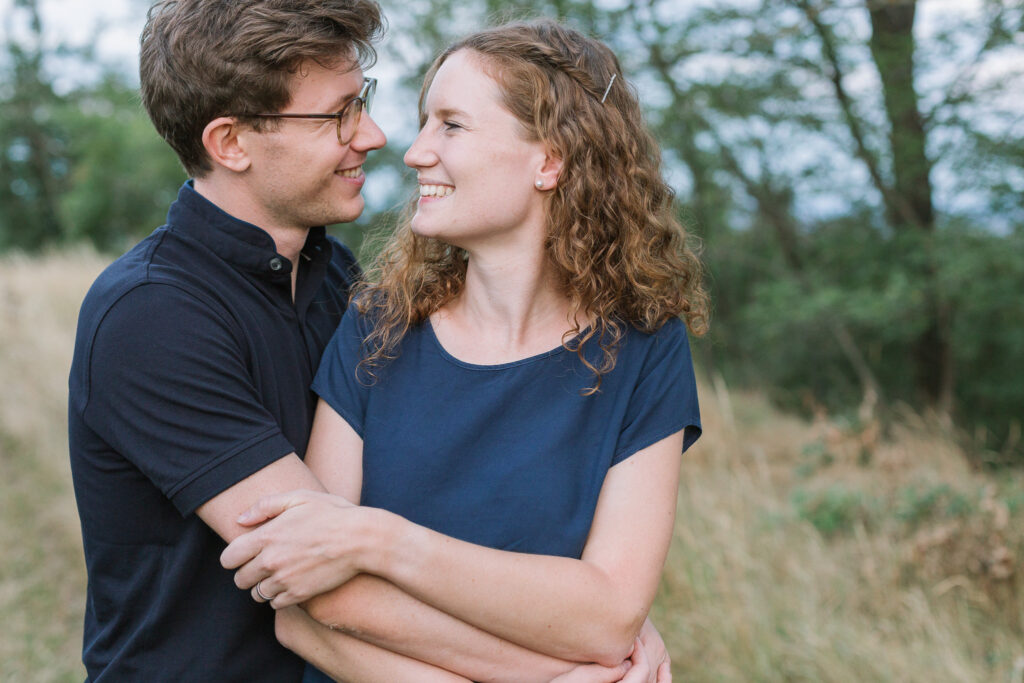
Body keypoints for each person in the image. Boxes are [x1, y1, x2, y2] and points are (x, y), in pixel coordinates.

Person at [221, 18, 709, 683]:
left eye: (451, 125)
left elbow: (607, 617)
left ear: (551, 160)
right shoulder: (377, 326)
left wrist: (378, 540)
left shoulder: (646, 349)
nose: (415, 152)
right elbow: (305, 607)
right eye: (425, 123)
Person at [67, 0, 387, 679]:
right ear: (231, 143)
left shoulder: (338, 277)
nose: (373, 135)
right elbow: (323, 577)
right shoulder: (150, 314)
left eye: (362, 103)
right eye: (337, 115)